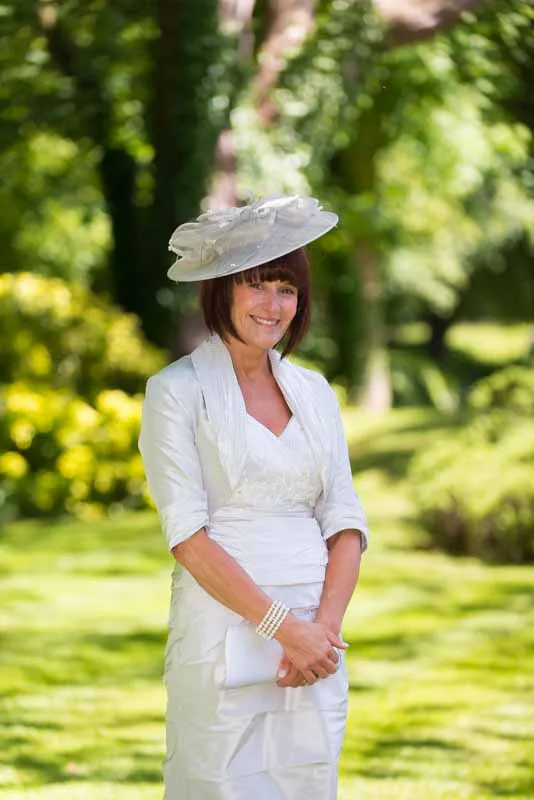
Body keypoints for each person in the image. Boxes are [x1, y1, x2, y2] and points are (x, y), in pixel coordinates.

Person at [138, 194, 369, 799]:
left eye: (286, 289)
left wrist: (321, 631)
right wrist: (280, 627)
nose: (273, 305)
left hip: (318, 640)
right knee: (221, 782)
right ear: (222, 290)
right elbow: (187, 537)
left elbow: (344, 521)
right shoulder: (175, 391)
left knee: (305, 781)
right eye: (256, 285)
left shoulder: (315, 392)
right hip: (222, 625)